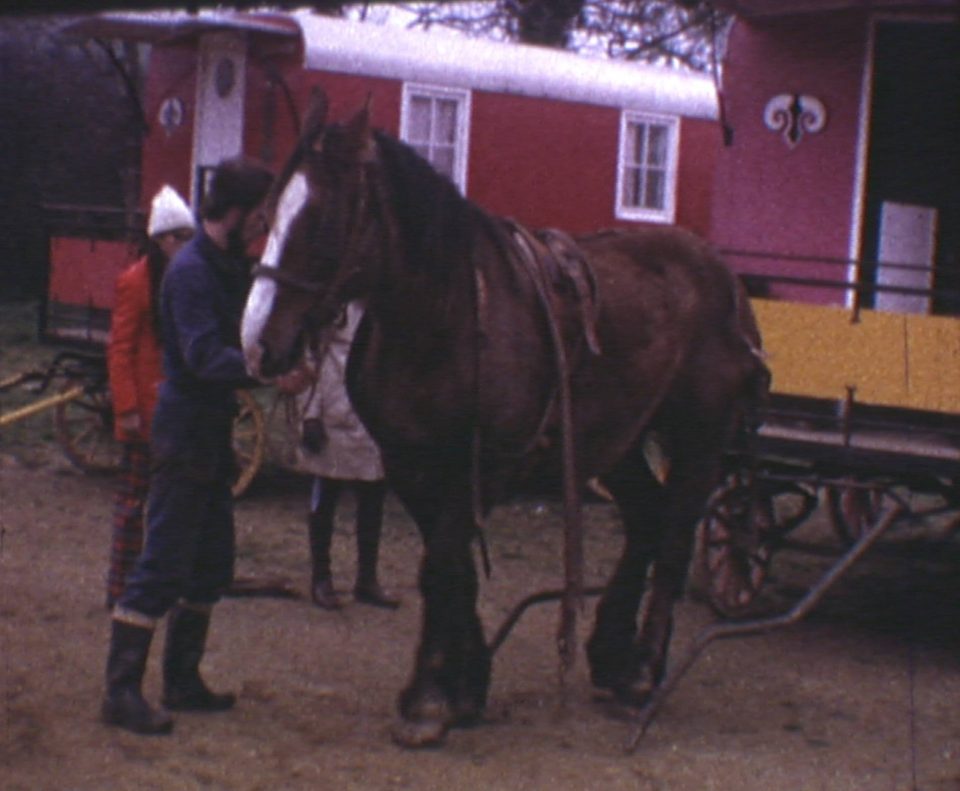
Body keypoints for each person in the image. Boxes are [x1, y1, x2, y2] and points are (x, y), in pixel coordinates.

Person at [101, 158, 273, 736]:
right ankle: (120, 692)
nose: (264, 224)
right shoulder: (194, 271)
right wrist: (268, 374)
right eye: (260, 213)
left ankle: (181, 680)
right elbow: (204, 358)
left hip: (211, 431)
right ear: (236, 210)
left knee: (209, 566)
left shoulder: (227, 265)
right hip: (184, 429)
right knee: (162, 565)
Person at [105, 185, 195, 610]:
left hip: (177, 414)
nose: (184, 246)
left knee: (172, 506)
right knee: (131, 504)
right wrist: (125, 409)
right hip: (144, 410)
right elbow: (120, 349)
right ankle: (120, 585)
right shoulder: (136, 281)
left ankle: (161, 582)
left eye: (188, 237)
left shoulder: (189, 278)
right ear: (161, 240)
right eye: (178, 237)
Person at [277, 301, 399, 611]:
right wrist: (311, 413)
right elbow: (308, 358)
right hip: (333, 411)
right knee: (325, 499)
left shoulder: (378, 306)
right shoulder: (327, 306)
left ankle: (367, 579)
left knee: (372, 498)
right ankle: (321, 578)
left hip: (370, 415)